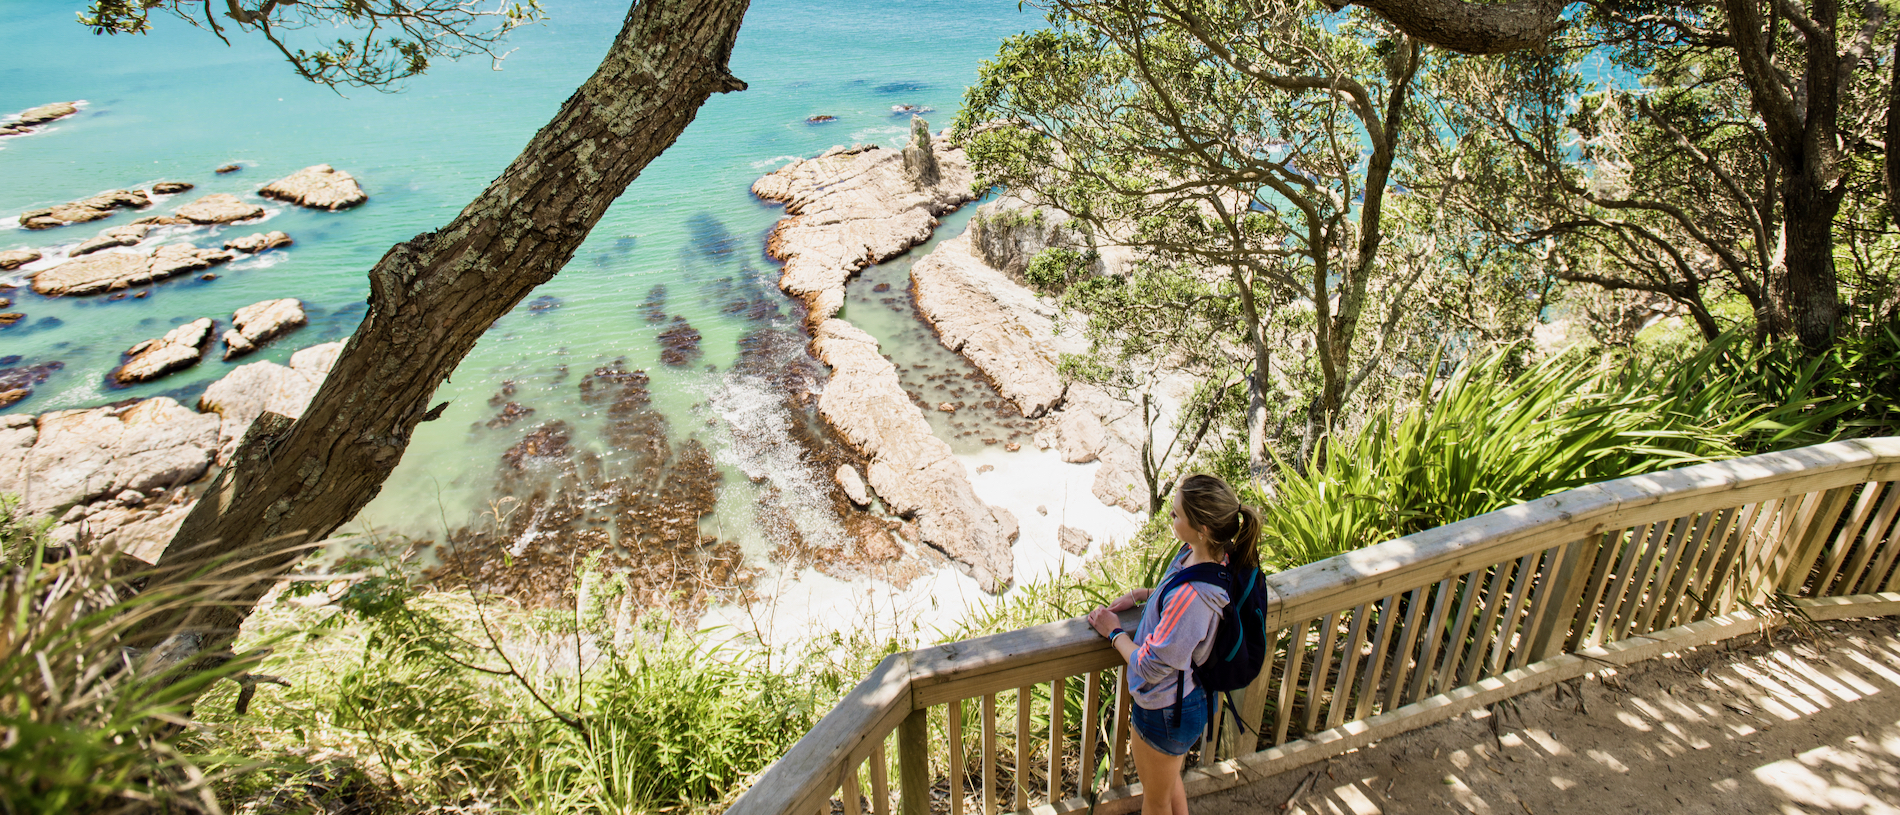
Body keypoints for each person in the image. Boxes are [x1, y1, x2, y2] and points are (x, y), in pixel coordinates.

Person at [1084, 474, 1262, 815]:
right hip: (1184, 699)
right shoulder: (1208, 557)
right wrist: (1145, 596)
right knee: (1166, 786)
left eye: (1177, 514)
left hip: (1165, 706)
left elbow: (1150, 664)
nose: (1171, 518)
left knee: (1155, 801)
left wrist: (1114, 632)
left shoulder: (1194, 595)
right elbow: (1182, 606)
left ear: (1204, 528)